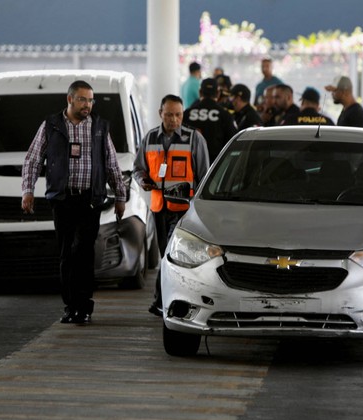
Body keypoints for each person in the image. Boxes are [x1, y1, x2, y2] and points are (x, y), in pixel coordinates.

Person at [21, 80, 126, 325]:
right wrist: (27, 190)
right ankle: (70, 307)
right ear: (70, 99)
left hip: (90, 200)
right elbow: (33, 160)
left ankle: (85, 307)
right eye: (82, 99)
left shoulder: (99, 127)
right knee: (67, 253)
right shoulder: (52, 125)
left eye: (90, 100)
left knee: (83, 251)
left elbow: (111, 164)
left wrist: (120, 196)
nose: (87, 104)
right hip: (62, 199)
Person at [133, 94, 209, 316]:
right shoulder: (149, 138)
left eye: (178, 115)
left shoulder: (194, 139)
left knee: (173, 254)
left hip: (185, 210)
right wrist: (142, 181)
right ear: (160, 114)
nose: (174, 119)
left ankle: (163, 301)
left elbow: (204, 175)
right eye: (169, 115)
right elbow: (138, 168)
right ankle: (164, 301)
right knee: (165, 254)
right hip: (159, 206)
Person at [183, 78, 237, 163]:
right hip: (215, 167)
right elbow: (232, 142)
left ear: (200, 92)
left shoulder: (186, 114)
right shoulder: (225, 115)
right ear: (218, 93)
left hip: (190, 164)